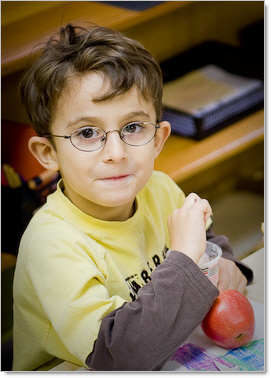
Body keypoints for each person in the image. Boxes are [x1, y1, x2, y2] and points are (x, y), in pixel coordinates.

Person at [13, 24, 253, 371]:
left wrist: (227, 264)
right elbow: (117, 357)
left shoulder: (159, 188)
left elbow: (210, 243)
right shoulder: (50, 243)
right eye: (87, 133)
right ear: (48, 153)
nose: (116, 152)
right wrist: (184, 257)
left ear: (158, 139)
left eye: (132, 127)